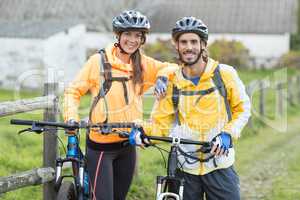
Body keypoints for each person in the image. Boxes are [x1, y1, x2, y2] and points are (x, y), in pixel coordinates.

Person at [131, 16, 251, 200]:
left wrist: (227, 133)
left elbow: (242, 109)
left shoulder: (224, 74)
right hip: (184, 166)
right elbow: (160, 125)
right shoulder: (171, 81)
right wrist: (142, 132)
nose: (189, 47)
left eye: (194, 41)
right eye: (183, 42)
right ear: (176, 46)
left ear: (203, 44)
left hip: (219, 164)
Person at [63, 10, 177, 200]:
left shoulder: (142, 64)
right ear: (118, 35)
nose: (133, 40)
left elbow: (172, 66)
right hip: (101, 147)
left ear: (142, 39)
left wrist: (163, 77)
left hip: (128, 145)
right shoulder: (98, 62)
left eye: (138, 36)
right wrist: (71, 117)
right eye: (128, 34)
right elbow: (72, 92)